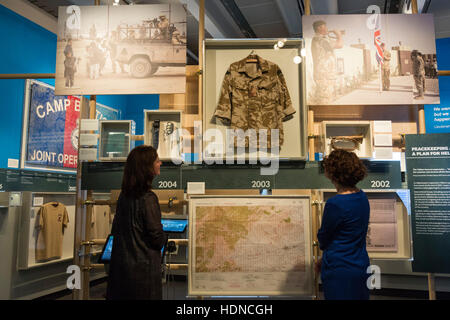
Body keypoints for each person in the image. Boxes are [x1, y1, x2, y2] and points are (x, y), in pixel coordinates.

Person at [106, 146, 167, 300]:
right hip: (144, 276)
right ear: (147, 166)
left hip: (121, 273)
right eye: (157, 160)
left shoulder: (123, 196)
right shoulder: (148, 198)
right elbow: (156, 238)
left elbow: (116, 230)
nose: (160, 163)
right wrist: (164, 238)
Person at [315, 149, 370, 300]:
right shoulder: (362, 197)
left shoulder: (335, 203)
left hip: (339, 270)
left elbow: (324, 238)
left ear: (332, 173)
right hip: (360, 266)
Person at [311, 20, 343, 104]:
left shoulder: (322, 39)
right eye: (324, 27)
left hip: (325, 75)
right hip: (324, 76)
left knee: (326, 98)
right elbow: (339, 45)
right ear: (319, 28)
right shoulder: (320, 39)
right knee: (325, 100)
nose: (326, 29)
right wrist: (338, 35)